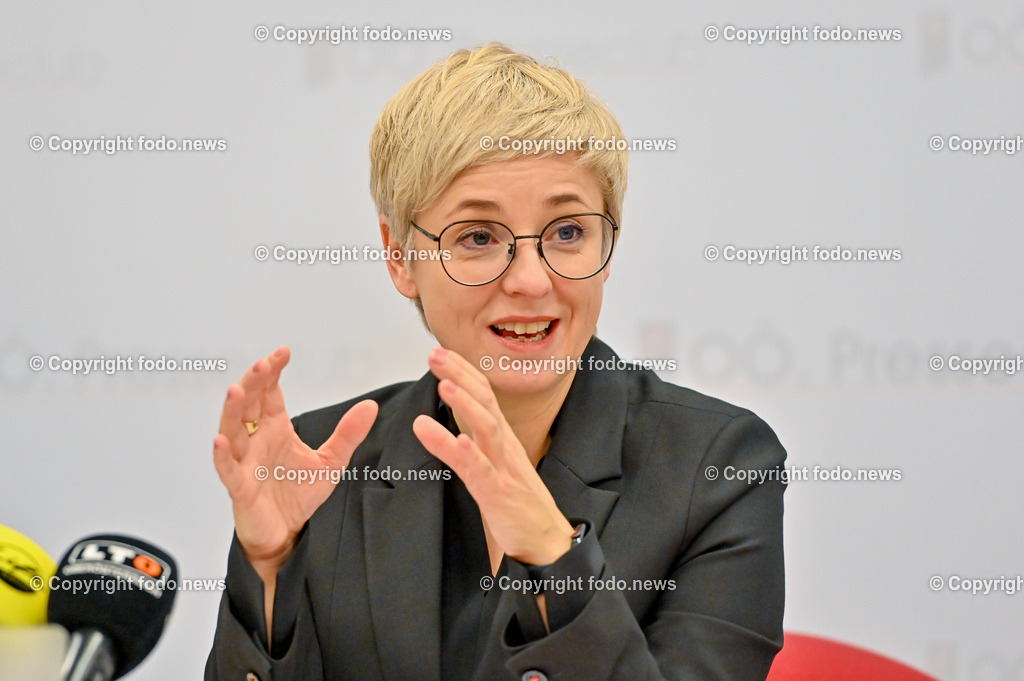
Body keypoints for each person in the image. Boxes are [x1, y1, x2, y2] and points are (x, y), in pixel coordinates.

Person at [205, 43, 787, 681]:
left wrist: (551, 556)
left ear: (609, 242)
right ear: (399, 256)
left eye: (568, 232)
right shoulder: (322, 464)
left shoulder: (719, 467)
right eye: (478, 237)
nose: (531, 281)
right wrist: (267, 569)